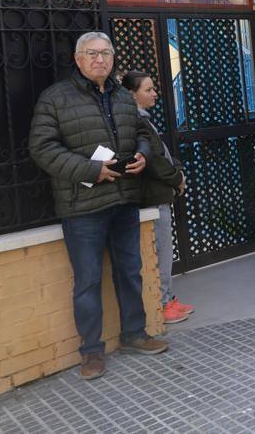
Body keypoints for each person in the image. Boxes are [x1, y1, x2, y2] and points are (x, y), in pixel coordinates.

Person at [29, 32, 168, 381]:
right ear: (78, 59)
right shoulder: (55, 98)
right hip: (82, 206)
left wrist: (142, 154)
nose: (99, 59)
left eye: (105, 53)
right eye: (91, 53)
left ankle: (134, 334)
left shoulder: (122, 96)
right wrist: (92, 170)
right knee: (88, 281)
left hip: (124, 200)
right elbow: (42, 149)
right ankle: (91, 353)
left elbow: (142, 134)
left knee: (129, 273)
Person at [121, 70, 194, 324]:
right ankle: (163, 304)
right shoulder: (135, 122)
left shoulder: (143, 119)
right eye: (148, 90)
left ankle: (169, 298)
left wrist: (176, 169)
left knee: (165, 248)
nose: (154, 94)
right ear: (132, 94)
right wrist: (177, 177)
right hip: (152, 195)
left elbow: (161, 154)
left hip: (159, 193)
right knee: (162, 251)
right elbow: (154, 160)